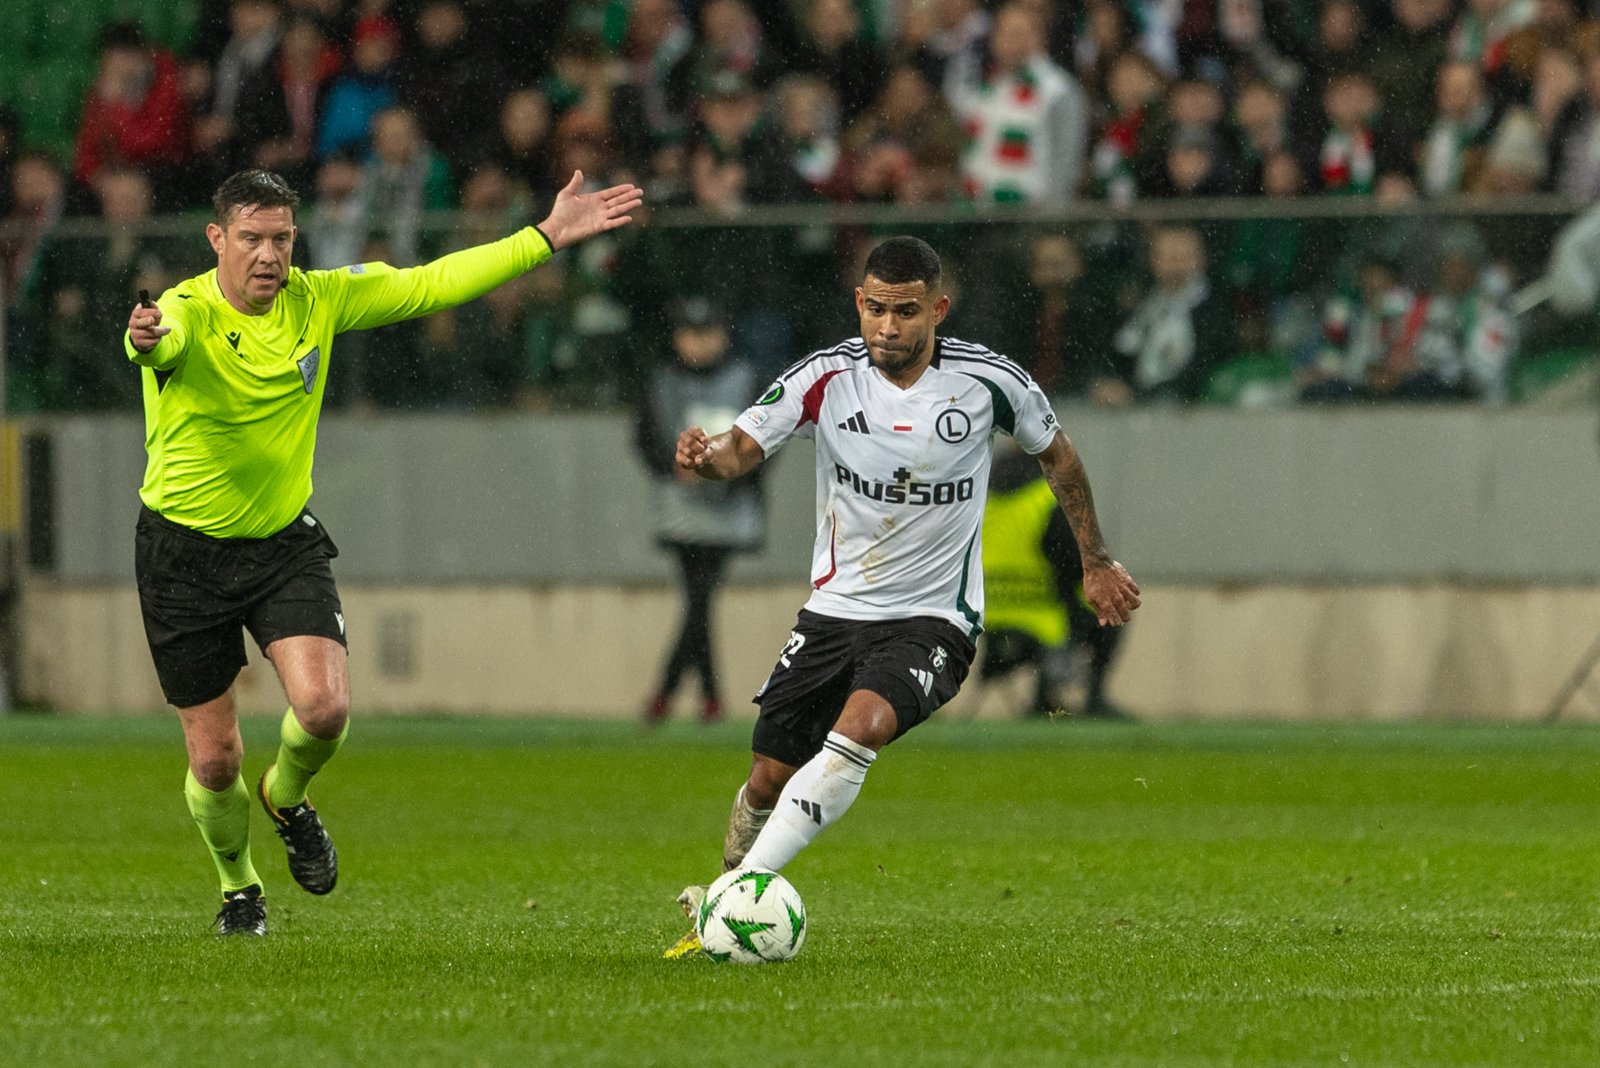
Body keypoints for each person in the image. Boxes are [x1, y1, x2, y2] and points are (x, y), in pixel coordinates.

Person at [125, 167, 641, 937]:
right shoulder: (184, 311)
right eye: (251, 239)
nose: (269, 255)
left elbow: (432, 283)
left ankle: (289, 799)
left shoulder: (320, 299)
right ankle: (240, 890)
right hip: (181, 555)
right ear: (217, 239)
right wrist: (144, 340)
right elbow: (156, 345)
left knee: (326, 708)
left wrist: (545, 237)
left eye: (282, 239)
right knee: (214, 762)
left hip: (280, 543)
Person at [663, 235, 1140, 957]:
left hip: (934, 619)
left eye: (907, 312)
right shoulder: (824, 377)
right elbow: (743, 448)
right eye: (877, 310)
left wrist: (1094, 560)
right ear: (859, 303)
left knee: (862, 727)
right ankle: (734, 874)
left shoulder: (988, 382)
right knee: (766, 778)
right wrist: (709, 457)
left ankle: (733, 902)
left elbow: (1059, 456)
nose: (888, 327)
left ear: (938, 310)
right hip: (834, 612)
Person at [636, 296, 767, 725]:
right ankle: (704, 697)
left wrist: (731, 474)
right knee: (699, 602)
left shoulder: (746, 378)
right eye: (690, 334)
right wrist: (672, 467)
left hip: (729, 508)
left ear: (723, 335)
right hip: (681, 507)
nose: (698, 343)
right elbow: (645, 438)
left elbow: (766, 443)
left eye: (706, 333)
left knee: (697, 602)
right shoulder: (661, 380)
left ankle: (669, 694)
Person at [979, 444, 1131, 720]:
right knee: (1111, 613)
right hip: (1041, 617)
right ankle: (1092, 699)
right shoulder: (1044, 498)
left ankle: (1046, 699)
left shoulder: (982, 498)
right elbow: (1071, 565)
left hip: (988, 617)